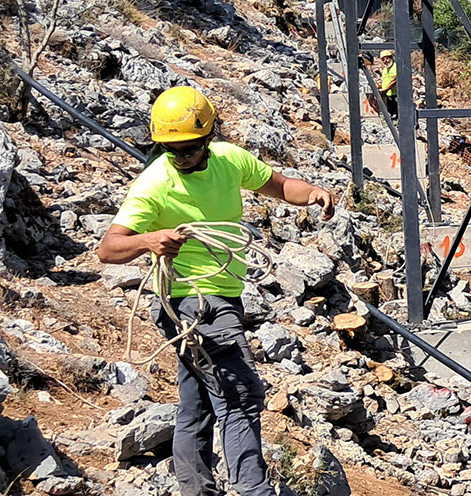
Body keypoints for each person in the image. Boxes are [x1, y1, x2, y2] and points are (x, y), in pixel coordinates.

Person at [97, 86, 336, 496]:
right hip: (192, 301)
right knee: (240, 395)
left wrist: (311, 193)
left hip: (222, 295)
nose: (181, 156)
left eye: (189, 148)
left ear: (209, 137)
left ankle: (196, 490)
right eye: (172, 149)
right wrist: (149, 239)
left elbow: (278, 186)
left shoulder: (229, 159)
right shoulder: (155, 183)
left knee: (199, 404)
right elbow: (107, 248)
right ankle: (253, 490)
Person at [376, 49, 399, 116]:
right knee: (390, 111)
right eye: (383, 59)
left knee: (397, 112)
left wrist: (386, 89)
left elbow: (394, 80)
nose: (385, 61)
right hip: (388, 94)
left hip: (396, 94)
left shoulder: (395, 67)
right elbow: (384, 80)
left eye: (387, 58)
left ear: (391, 58)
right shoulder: (385, 69)